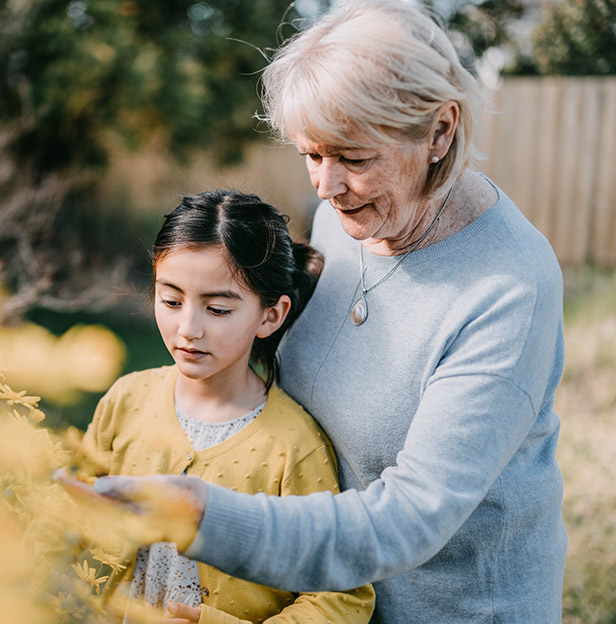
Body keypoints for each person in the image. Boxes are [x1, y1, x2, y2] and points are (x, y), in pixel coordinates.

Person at [75, 2, 568, 623]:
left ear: (440, 132)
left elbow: (409, 519)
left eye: (355, 158)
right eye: (312, 154)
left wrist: (202, 514)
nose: (325, 187)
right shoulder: (349, 216)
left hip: (448, 607)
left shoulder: (507, 289)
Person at [76, 190, 375, 623]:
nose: (188, 328)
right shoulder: (126, 401)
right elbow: (64, 519)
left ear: (270, 316)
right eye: (171, 300)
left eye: (217, 309)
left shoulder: (292, 449)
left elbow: (342, 597)